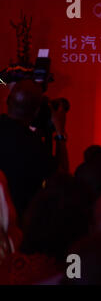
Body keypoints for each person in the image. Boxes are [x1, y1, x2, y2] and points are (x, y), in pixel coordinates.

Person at [0, 80, 68, 222]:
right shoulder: (34, 145)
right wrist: (60, 133)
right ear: (37, 111)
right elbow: (62, 180)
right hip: (18, 225)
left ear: (7, 101)